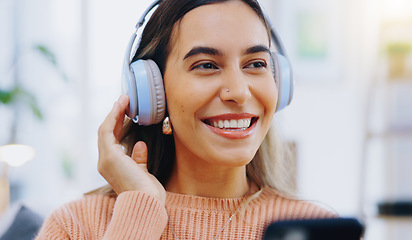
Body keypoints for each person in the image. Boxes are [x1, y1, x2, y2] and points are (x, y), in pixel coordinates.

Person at [35, 0, 336, 239]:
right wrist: (140, 210)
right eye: (206, 65)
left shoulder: (320, 229)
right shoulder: (75, 227)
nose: (239, 92)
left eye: (256, 64)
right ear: (153, 91)